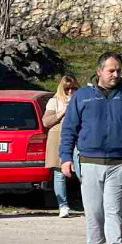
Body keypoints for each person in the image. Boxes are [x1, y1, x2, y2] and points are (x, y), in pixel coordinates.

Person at [59, 52, 122, 244]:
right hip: (89, 162)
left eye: (118, 70)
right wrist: (65, 158)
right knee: (93, 211)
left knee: (114, 211)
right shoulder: (82, 96)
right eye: (111, 70)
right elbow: (69, 128)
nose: (115, 74)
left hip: (118, 163)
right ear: (99, 71)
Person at [43, 75, 79, 218]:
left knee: (83, 171)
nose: (70, 92)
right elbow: (46, 122)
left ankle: (90, 203)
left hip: (78, 138)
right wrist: (63, 111)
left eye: (74, 88)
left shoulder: (81, 100)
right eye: (67, 89)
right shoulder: (54, 101)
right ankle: (63, 205)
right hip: (58, 137)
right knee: (59, 173)